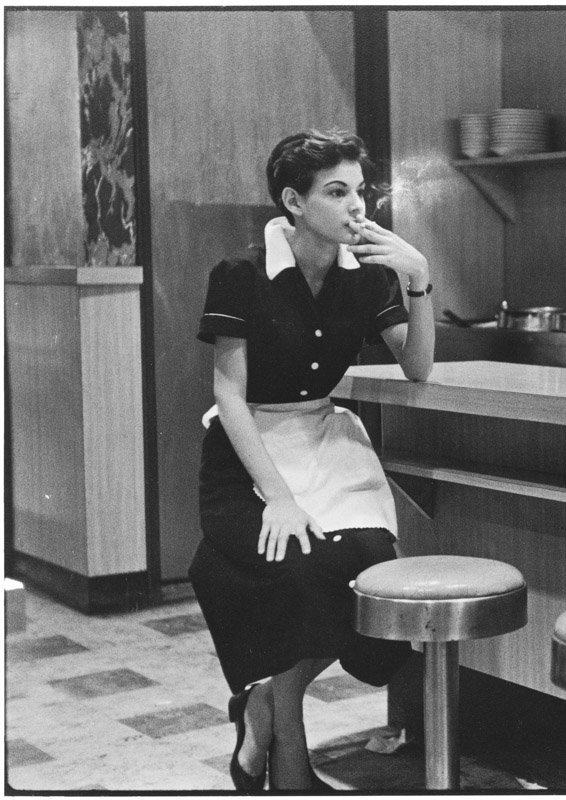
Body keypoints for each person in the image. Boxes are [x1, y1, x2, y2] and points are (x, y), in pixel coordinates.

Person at [188, 129, 435, 792]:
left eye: (361, 191)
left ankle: (265, 705)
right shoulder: (239, 277)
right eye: (337, 192)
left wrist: (419, 278)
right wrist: (280, 498)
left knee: (368, 570)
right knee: (298, 575)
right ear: (293, 202)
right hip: (249, 459)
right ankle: (289, 749)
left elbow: (418, 368)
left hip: (328, 448)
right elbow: (229, 397)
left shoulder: (369, 277)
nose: (358, 207)